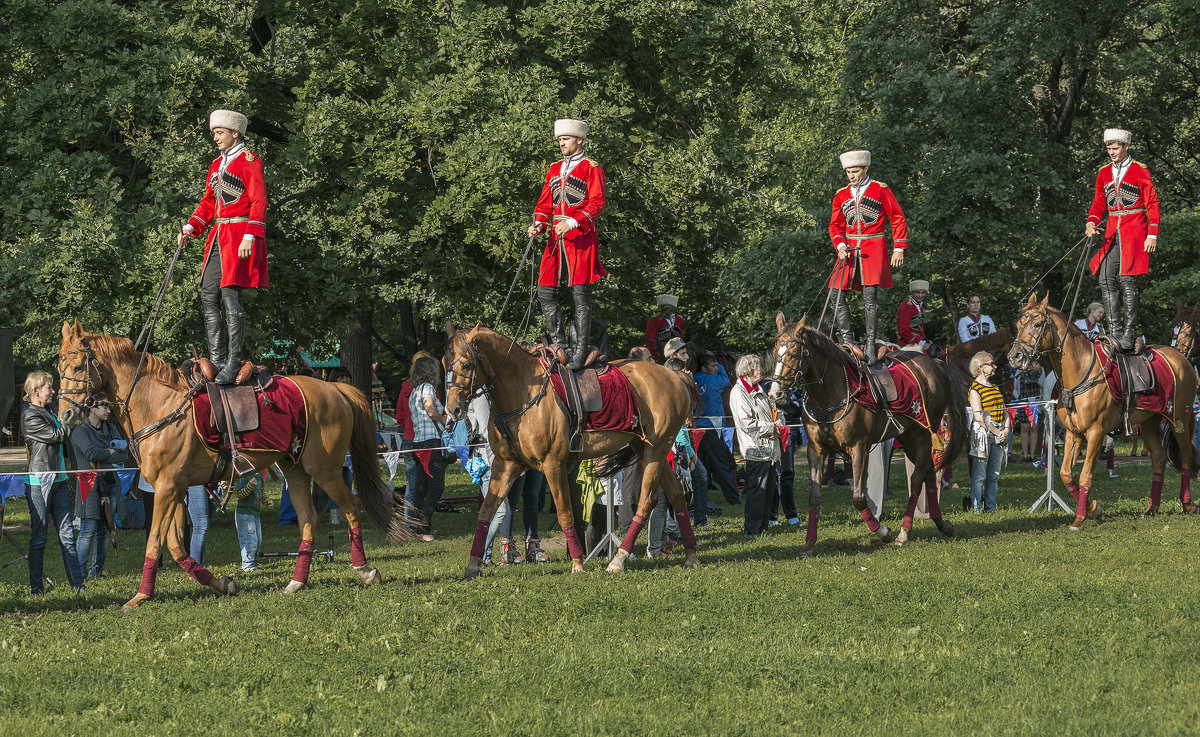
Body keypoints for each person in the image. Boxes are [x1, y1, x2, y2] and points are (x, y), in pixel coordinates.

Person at [177, 109, 268, 384]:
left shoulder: (249, 161)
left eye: (219, 133)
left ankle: (234, 360)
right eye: (214, 133)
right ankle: (216, 359)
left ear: (234, 133)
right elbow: (208, 202)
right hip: (217, 235)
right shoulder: (216, 165)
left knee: (229, 295)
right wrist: (191, 226)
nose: (215, 138)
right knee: (208, 294)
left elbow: (259, 201)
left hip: (239, 234)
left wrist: (250, 236)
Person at [528, 118, 606, 370]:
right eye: (559, 139)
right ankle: (559, 344)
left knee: (579, 294)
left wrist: (573, 222)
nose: (561, 142)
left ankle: (581, 351)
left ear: (579, 140)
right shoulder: (553, 169)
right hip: (555, 236)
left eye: (566, 139)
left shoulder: (591, 167)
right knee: (545, 290)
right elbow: (544, 204)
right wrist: (539, 223)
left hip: (580, 236)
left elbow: (597, 202)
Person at [828, 148, 909, 364]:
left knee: (870, 296)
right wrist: (840, 244)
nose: (851, 176)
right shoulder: (841, 194)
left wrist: (899, 247)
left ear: (866, 168)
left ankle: (871, 344)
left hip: (873, 246)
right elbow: (835, 225)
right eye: (848, 172)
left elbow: (898, 217)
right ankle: (849, 342)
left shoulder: (880, 189)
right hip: (848, 249)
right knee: (835, 294)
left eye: (855, 171)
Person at [1085, 128, 1160, 351]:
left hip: (1135, 230)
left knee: (1127, 280)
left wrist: (1152, 233)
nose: (1111, 152)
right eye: (1109, 148)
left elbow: (1152, 203)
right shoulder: (1104, 172)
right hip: (1111, 230)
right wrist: (1091, 222)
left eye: (1115, 148)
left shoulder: (1140, 170)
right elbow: (1099, 203)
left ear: (1126, 146)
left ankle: (1129, 332)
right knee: (1105, 278)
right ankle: (1115, 331)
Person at [21, 372, 86, 594]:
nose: (53, 391)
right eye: (49, 387)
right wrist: (71, 420)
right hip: (39, 482)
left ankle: (79, 586)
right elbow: (58, 435)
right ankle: (36, 588)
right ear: (35, 391)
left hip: (59, 480)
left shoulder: (50, 409)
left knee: (67, 535)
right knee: (39, 538)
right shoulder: (30, 415)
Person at [69, 393, 128, 578]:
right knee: (88, 530)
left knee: (105, 530)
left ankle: (97, 571)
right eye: (105, 407)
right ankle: (79, 574)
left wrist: (106, 453)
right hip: (89, 486)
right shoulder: (80, 431)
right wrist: (111, 450)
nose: (109, 411)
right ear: (92, 407)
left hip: (110, 484)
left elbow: (123, 455)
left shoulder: (110, 428)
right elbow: (90, 453)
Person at [730, 355, 781, 535]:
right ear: (749, 370)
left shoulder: (759, 389)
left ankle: (763, 526)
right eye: (758, 366)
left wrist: (779, 422)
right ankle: (752, 528)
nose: (761, 369)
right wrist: (772, 429)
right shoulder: (738, 392)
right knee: (757, 491)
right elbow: (746, 422)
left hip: (770, 448)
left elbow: (774, 411)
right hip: (756, 448)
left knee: (769, 491)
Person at [408, 355, 447, 541]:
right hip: (431, 444)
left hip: (418, 444)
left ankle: (416, 527)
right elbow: (430, 410)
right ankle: (424, 526)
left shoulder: (414, 391)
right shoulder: (428, 388)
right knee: (437, 486)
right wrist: (444, 419)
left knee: (422, 488)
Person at [967, 352, 1011, 512]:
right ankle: (976, 508)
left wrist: (1005, 428)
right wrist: (996, 431)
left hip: (999, 432)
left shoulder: (995, 387)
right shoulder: (975, 389)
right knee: (979, 476)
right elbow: (979, 416)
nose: (995, 366)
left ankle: (990, 508)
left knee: (994, 474)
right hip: (983, 435)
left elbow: (1004, 410)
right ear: (981, 367)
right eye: (991, 364)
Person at [694, 353, 738, 507]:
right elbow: (726, 380)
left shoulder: (694, 378)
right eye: (712, 366)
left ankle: (701, 498)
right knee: (721, 464)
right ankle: (733, 498)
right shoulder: (715, 380)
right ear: (704, 368)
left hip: (696, 427)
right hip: (712, 426)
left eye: (715, 365)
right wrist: (720, 364)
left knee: (701, 465)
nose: (715, 368)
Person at [228, 474, 272, 572]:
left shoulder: (259, 475)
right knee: (249, 540)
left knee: (257, 540)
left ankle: (253, 564)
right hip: (245, 514)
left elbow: (261, 492)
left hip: (255, 513)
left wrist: (267, 501)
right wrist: (250, 486)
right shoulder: (244, 475)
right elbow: (239, 494)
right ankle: (247, 566)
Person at [645, 294, 685, 361]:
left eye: (668, 306)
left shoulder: (679, 320)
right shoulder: (654, 319)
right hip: (658, 354)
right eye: (664, 306)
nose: (666, 308)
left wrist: (681, 349)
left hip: (677, 352)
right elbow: (650, 338)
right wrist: (657, 351)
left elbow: (680, 336)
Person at [897, 279, 931, 351]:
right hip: (908, 344)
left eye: (923, 293)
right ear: (912, 292)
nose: (921, 295)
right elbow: (903, 331)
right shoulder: (906, 306)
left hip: (918, 342)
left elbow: (920, 328)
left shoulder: (919, 306)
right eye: (918, 292)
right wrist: (921, 343)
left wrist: (925, 341)